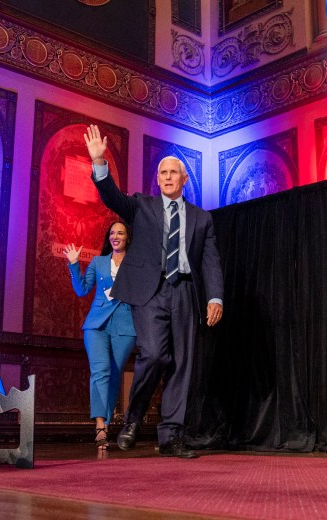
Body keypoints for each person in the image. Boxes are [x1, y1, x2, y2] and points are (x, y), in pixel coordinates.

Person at [83, 124, 224, 459]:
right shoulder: (141, 206)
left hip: (186, 291)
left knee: (182, 364)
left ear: (184, 179)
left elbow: (210, 261)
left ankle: (171, 435)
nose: (167, 177)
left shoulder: (201, 218)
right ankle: (133, 419)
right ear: (157, 178)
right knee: (156, 355)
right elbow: (111, 197)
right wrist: (99, 164)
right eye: (162, 172)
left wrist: (215, 297)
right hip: (151, 291)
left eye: (173, 172)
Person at [65, 221, 136, 450]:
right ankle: (100, 426)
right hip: (96, 326)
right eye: (112, 233)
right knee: (101, 370)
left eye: (120, 233)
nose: (116, 236)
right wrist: (75, 264)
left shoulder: (136, 263)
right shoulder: (98, 262)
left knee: (113, 375)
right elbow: (81, 289)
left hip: (125, 328)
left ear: (127, 237)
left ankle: (105, 421)